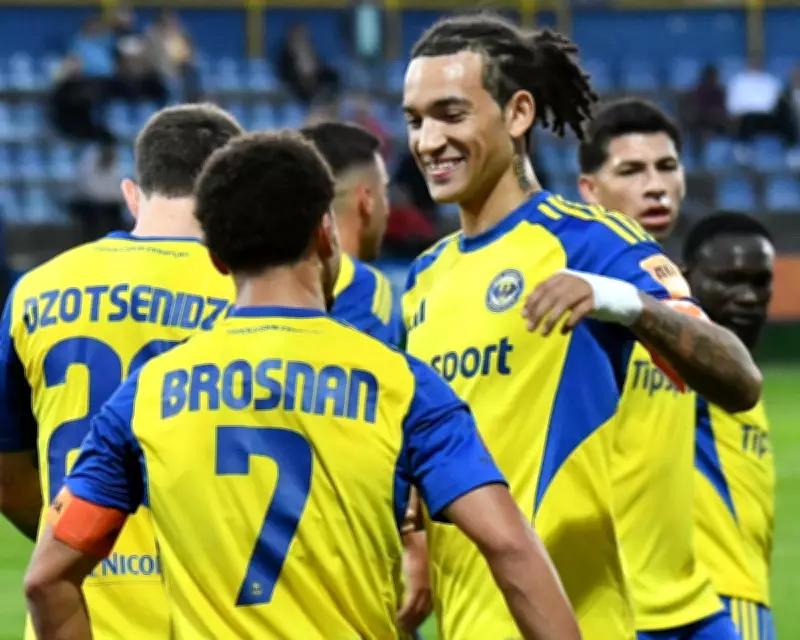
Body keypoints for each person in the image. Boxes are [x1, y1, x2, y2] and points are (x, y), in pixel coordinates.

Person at [23, 131, 581, 640]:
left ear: (216, 257)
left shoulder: (142, 396)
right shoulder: (404, 386)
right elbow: (509, 546)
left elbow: (47, 580)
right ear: (326, 232)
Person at [400, 12, 762, 640]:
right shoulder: (422, 279)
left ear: (518, 113)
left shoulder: (592, 243)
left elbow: (739, 378)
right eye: (414, 120)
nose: (429, 141)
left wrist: (623, 302)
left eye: (451, 115)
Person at [0, 103, 242, 639]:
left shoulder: (34, 290)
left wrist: (78, 540)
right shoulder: (250, 295)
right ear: (235, 195)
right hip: (208, 616)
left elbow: (8, 482)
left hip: (74, 615)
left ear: (132, 193)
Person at [577, 99, 740, 639]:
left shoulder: (679, 299)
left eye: (667, 166)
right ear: (589, 189)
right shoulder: (577, 302)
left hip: (693, 605)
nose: (655, 186)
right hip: (612, 612)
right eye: (631, 171)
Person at [300, 120, 427, 633]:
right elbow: (368, 423)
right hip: (344, 555)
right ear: (367, 200)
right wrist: (414, 538)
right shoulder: (365, 289)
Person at [683, 212, 777, 640]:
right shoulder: (674, 368)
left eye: (760, 282)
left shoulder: (743, 382)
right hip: (716, 602)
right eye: (730, 280)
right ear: (688, 279)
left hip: (745, 597)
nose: (748, 297)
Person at [300, 121, 400, 345]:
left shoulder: (258, 276)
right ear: (367, 201)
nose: (387, 207)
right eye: (384, 190)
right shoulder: (365, 285)